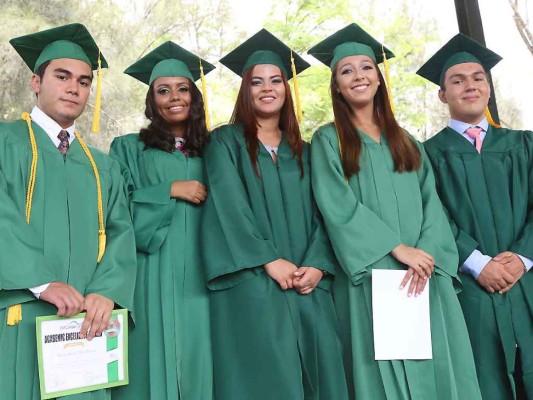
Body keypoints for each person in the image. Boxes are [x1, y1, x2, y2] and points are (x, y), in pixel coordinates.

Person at [308, 23, 482, 400]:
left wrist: (426, 255)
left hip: (423, 272)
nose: (359, 76)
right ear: (336, 84)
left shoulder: (408, 141)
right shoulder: (328, 140)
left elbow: (432, 206)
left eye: (367, 67)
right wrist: (397, 249)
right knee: (379, 374)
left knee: (437, 367)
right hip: (371, 275)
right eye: (347, 70)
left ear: (379, 77)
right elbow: (336, 206)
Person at [201, 29, 349, 400]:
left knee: (320, 373)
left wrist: (317, 264)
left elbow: (328, 213)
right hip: (253, 282)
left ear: (286, 88)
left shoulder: (310, 150)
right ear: (245, 90)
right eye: (257, 81)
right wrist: (269, 260)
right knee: (262, 378)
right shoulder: (224, 142)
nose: (267, 88)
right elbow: (229, 207)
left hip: (308, 283)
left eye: (275, 80)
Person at [0, 23, 136, 399]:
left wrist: (108, 292)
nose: (74, 87)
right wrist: (42, 282)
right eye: (62, 76)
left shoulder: (101, 165)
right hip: (21, 312)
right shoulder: (5, 142)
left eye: (84, 81)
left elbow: (122, 231)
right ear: (35, 82)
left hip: (87, 325)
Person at [419, 33, 533, 400]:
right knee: (483, 380)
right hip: (469, 286)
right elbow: (430, 215)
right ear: (442, 95)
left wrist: (523, 256)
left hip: (528, 280)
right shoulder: (426, 155)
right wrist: (477, 262)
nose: (470, 85)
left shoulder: (524, 145)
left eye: (478, 77)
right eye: (457, 80)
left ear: (489, 88)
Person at [109, 41, 214, 400]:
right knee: (150, 359)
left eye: (183, 89)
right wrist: (169, 188)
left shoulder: (218, 149)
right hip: (151, 270)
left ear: (194, 97)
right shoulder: (127, 148)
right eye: (163, 90)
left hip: (206, 272)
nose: (174, 97)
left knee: (206, 358)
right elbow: (115, 209)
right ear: (152, 100)